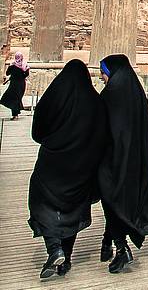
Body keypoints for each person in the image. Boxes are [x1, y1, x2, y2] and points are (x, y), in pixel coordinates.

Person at [28, 59, 107, 279]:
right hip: (82, 166)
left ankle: (55, 248)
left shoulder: (56, 95)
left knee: (42, 202)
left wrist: (53, 141)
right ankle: (66, 258)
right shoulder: (95, 102)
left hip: (52, 163)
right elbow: (102, 136)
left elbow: (38, 129)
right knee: (72, 209)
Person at [98, 54, 148, 274]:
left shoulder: (111, 95)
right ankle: (107, 241)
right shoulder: (136, 94)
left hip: (113, 161)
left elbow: (103, 129)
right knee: (117, 201)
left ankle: (121, 248)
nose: (101, 77)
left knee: (111, 200)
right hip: (136, 162)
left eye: (102, 72)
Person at [1, 51, 29, 119]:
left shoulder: (13, 65)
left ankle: (15, 114)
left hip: (13, 85)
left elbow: (7, 73)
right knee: (17, 99)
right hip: (21, 85)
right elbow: (26, 75)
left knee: (12, 98)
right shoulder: (25, 66)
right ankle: (16, 114)